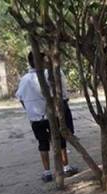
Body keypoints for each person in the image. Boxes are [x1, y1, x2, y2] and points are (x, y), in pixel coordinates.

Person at [15, 52, 78, 182]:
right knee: (60, 141)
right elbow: (62, 95)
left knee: (43, 144)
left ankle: (47, 172)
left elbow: (20, 98)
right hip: (52, 115)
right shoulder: (51, 74)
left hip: (35, 118)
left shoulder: (25, 79)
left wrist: (30, 110)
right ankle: (65, 167)